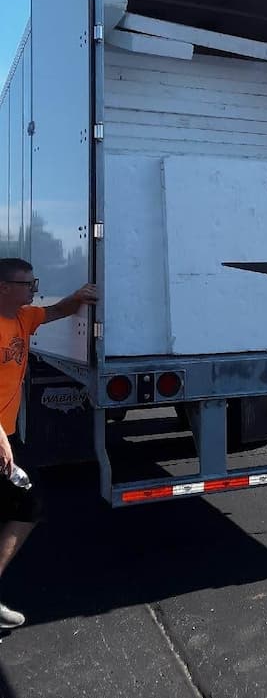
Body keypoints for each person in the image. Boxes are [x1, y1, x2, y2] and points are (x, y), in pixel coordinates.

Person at [0, 257, 97, 629]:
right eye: (27, 284)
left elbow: (58, 310)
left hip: (7, 438)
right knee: (27, 504)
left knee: (28, 505)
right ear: (4, 288)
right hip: (0, 440)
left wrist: (80, 295)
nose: (33, 290)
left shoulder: (24, 319)